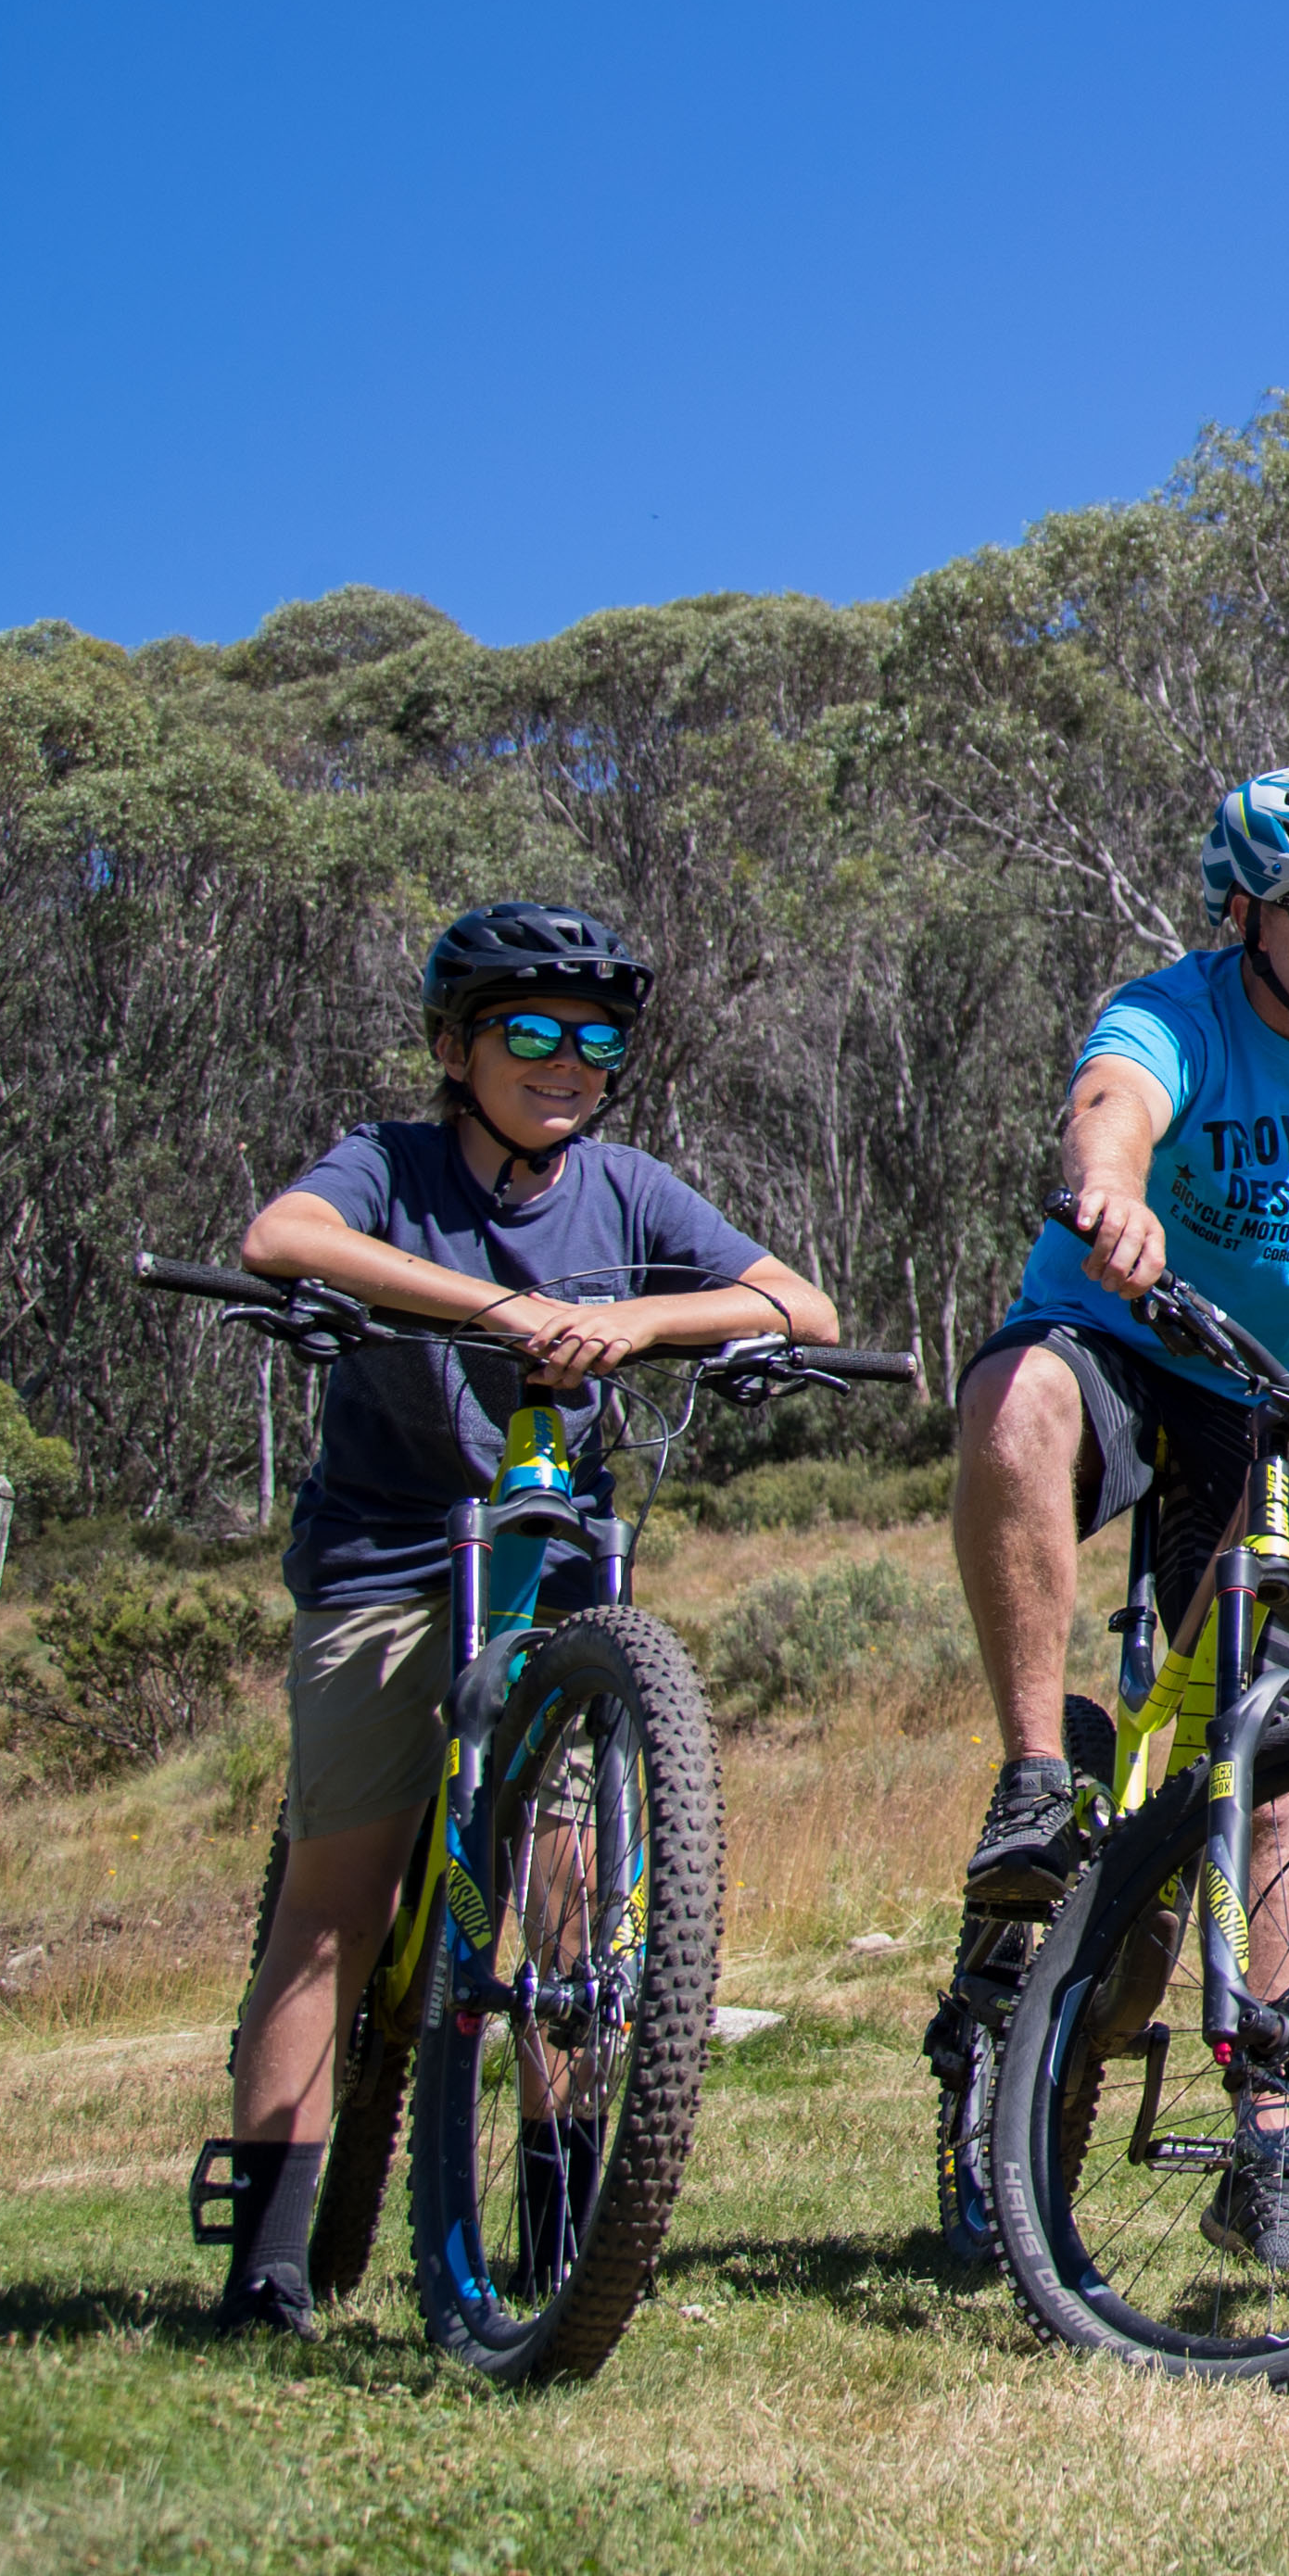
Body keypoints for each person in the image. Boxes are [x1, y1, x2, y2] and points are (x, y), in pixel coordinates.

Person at [208, 902, 844, 2339]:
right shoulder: (392, 1164)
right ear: (456, 1048)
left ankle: (562, 2233)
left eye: (597, 1040)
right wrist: (497, 1308)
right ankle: (266, 2264)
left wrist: (642, 1323)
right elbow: (283, 1236)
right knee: (337, 1901)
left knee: (567, 1906)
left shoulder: (626, 1188)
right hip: (387, 1562)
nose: (568, 1062)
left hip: (554, 1575)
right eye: (533, 1032)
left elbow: (795, 1303)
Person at [942, 765, 1289, 2276]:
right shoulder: (1173, 1012)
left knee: (1268, 1767)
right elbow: (1110, 1112)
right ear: (1248, 910)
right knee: (1015, 1398)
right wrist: (1112, 1195)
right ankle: (1032, 1777)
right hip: (1117, 1336)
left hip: (1262, 1401)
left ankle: (1266, 2146)